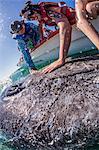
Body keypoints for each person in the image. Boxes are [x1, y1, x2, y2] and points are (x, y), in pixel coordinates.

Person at [20, 1, 99, 73]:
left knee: (89, 8)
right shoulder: (41, 19)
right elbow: (41, 29)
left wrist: (61, 59)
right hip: (80, 20)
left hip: (86, 17)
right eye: (29, 19)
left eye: (30, 14)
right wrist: (41, 40)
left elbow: (65, 26)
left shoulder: (49, 10)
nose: (32, 18)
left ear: (34, 9)